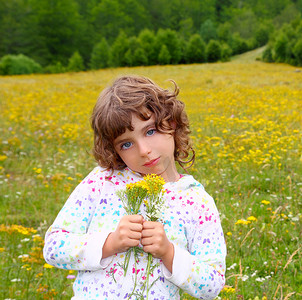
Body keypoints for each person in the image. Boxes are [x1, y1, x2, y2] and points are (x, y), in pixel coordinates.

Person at [43, 75, 227, 299]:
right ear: (115, 150)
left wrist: (169, 252)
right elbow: (53, 246)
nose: (143, 150)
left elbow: (213, 284)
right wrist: (109, 243)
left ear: (172, 123)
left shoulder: (197, 201)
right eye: (126, 144)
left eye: (150, 131)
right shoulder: (104, 181)